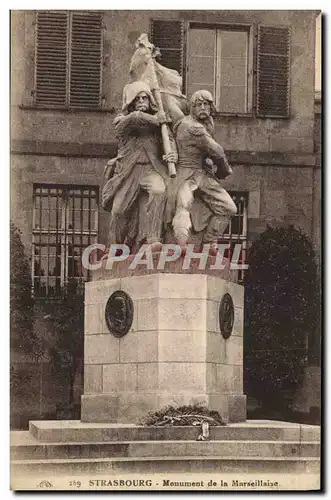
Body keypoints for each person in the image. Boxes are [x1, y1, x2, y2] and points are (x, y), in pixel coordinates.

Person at [102, 81, 177, 251]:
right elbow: (135, 119)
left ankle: (153, 238)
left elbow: (169, 141)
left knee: (159, 191)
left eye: (145, 98)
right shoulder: (124, 121)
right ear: (131, 102)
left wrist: (173, 154)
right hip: (129, 171)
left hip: (151, 169)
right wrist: (157, 119)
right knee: (118, 210)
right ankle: (114, 247)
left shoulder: (160, 127)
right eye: (137, 99)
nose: (142, 101)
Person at [172, 90, 237, 249]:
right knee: (183, 205)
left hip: (202, 174)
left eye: (206, 104)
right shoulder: (193, 127)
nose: (202, 107)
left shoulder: (206, 124)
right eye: (198, 104)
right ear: (192, 108)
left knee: (229, 208)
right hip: (186, 174)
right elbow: (217, 151)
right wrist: (224, 171)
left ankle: (209, 241)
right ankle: (181, 243)